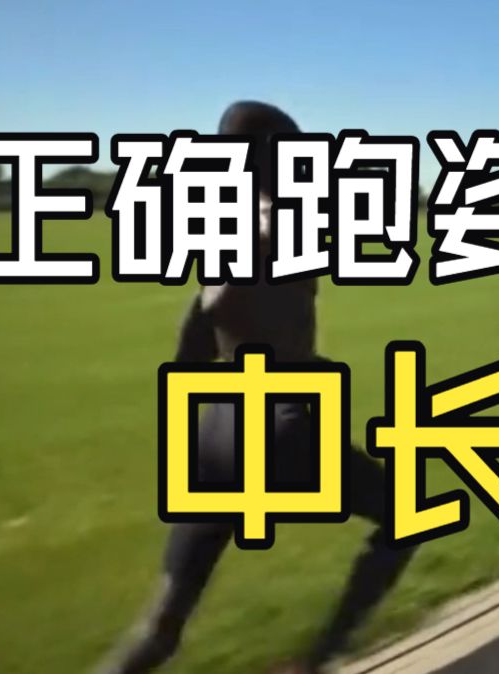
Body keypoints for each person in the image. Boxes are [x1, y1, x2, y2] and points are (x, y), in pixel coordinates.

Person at [103, 101, 416, 674]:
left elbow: (201, 321)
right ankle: (317, 659)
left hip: (219, 426)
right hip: (279, 421)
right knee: (405, 517)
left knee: (161, 626)